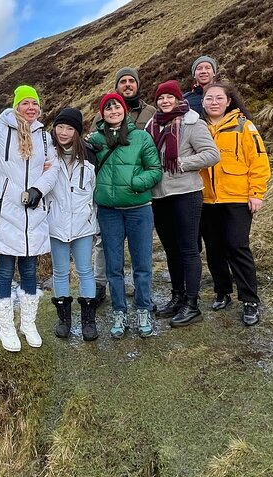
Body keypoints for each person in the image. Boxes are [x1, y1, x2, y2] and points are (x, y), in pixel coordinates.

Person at [0, 85, 59, 352]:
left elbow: (53, 169)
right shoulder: (0, 131)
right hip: (6, 214)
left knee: (30, 270)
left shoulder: (43, 137)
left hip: (33, 213)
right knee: (5, 271)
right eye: (26, 102)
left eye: (35, 103)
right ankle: (6, 327)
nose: (31, 107)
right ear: (16, 106)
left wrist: (38, 190)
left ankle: (28, 323)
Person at [145, 80, 219, 327]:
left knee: (188, 249)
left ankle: (192, 304)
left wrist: (182, 164)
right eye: (161, 98)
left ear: (178, 99)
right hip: (159, 196)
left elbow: (212, 154)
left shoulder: (192, 123)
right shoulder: (151, 126)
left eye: (169, 97)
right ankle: (177, 297)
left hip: (186, 193)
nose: (165, 102)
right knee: (171, 249)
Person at [88, 93, 162, 338]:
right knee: (114, 266)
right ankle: (119, 310)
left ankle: (142, 308)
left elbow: (154, 169)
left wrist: (135, 183)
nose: (113, 111)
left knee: (142, 264)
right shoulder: (95, 140)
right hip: (108, 212)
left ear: (124, 110)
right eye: (107, 108)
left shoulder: (141, 137)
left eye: (116, 106)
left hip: (139, 210)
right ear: (103, 113)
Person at [200, 82, 271, 326]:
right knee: (214, 248)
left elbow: (259, 161)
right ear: (203, 102)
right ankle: (222, 292)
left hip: (237, 198)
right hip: (206, 199)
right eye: (209, 98)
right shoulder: (198, 127)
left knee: (237, 246)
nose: (214, 102)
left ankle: (250, 300)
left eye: (219, 98)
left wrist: (257, 193)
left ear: (228, 101)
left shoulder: (244, 126)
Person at [91, 67, 157, 305]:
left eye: (132, 81)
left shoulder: (151, 112)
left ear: (137, 84)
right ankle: (102, 288)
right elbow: (92, 153)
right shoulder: (101, 121)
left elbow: (153, 163)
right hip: (110, 202)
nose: (128, 84)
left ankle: (143, 300)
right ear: (117, 86)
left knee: (142, 254)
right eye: (123, 81)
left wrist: (136, 183)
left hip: (138, 198)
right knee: (106, 248)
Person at [45, 108, 100, 341]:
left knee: (85, 270)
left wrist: (92, 219)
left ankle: (89, 321)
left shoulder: (89, 159)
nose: (64, 132)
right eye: (60, 127)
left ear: (77, 132)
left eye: (70, 128)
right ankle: (64, 320)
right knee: (59, 272)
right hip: (55, 225)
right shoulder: (46, 158)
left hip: (83, 226)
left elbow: (95, 192)